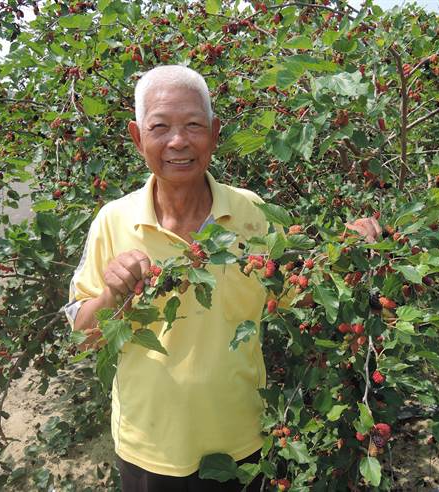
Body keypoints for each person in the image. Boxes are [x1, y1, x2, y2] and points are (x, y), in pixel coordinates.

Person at [64, 65, 381, 492]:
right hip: (148, 448)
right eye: (160, 127)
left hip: (242, 440)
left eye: (193, 125)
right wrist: (111, 294)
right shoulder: (112, 221)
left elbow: (291, 295)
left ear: (214, 133)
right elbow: (84, 337)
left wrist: (341, 253)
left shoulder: (251, 213)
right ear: (138, 137)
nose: (178, 141)